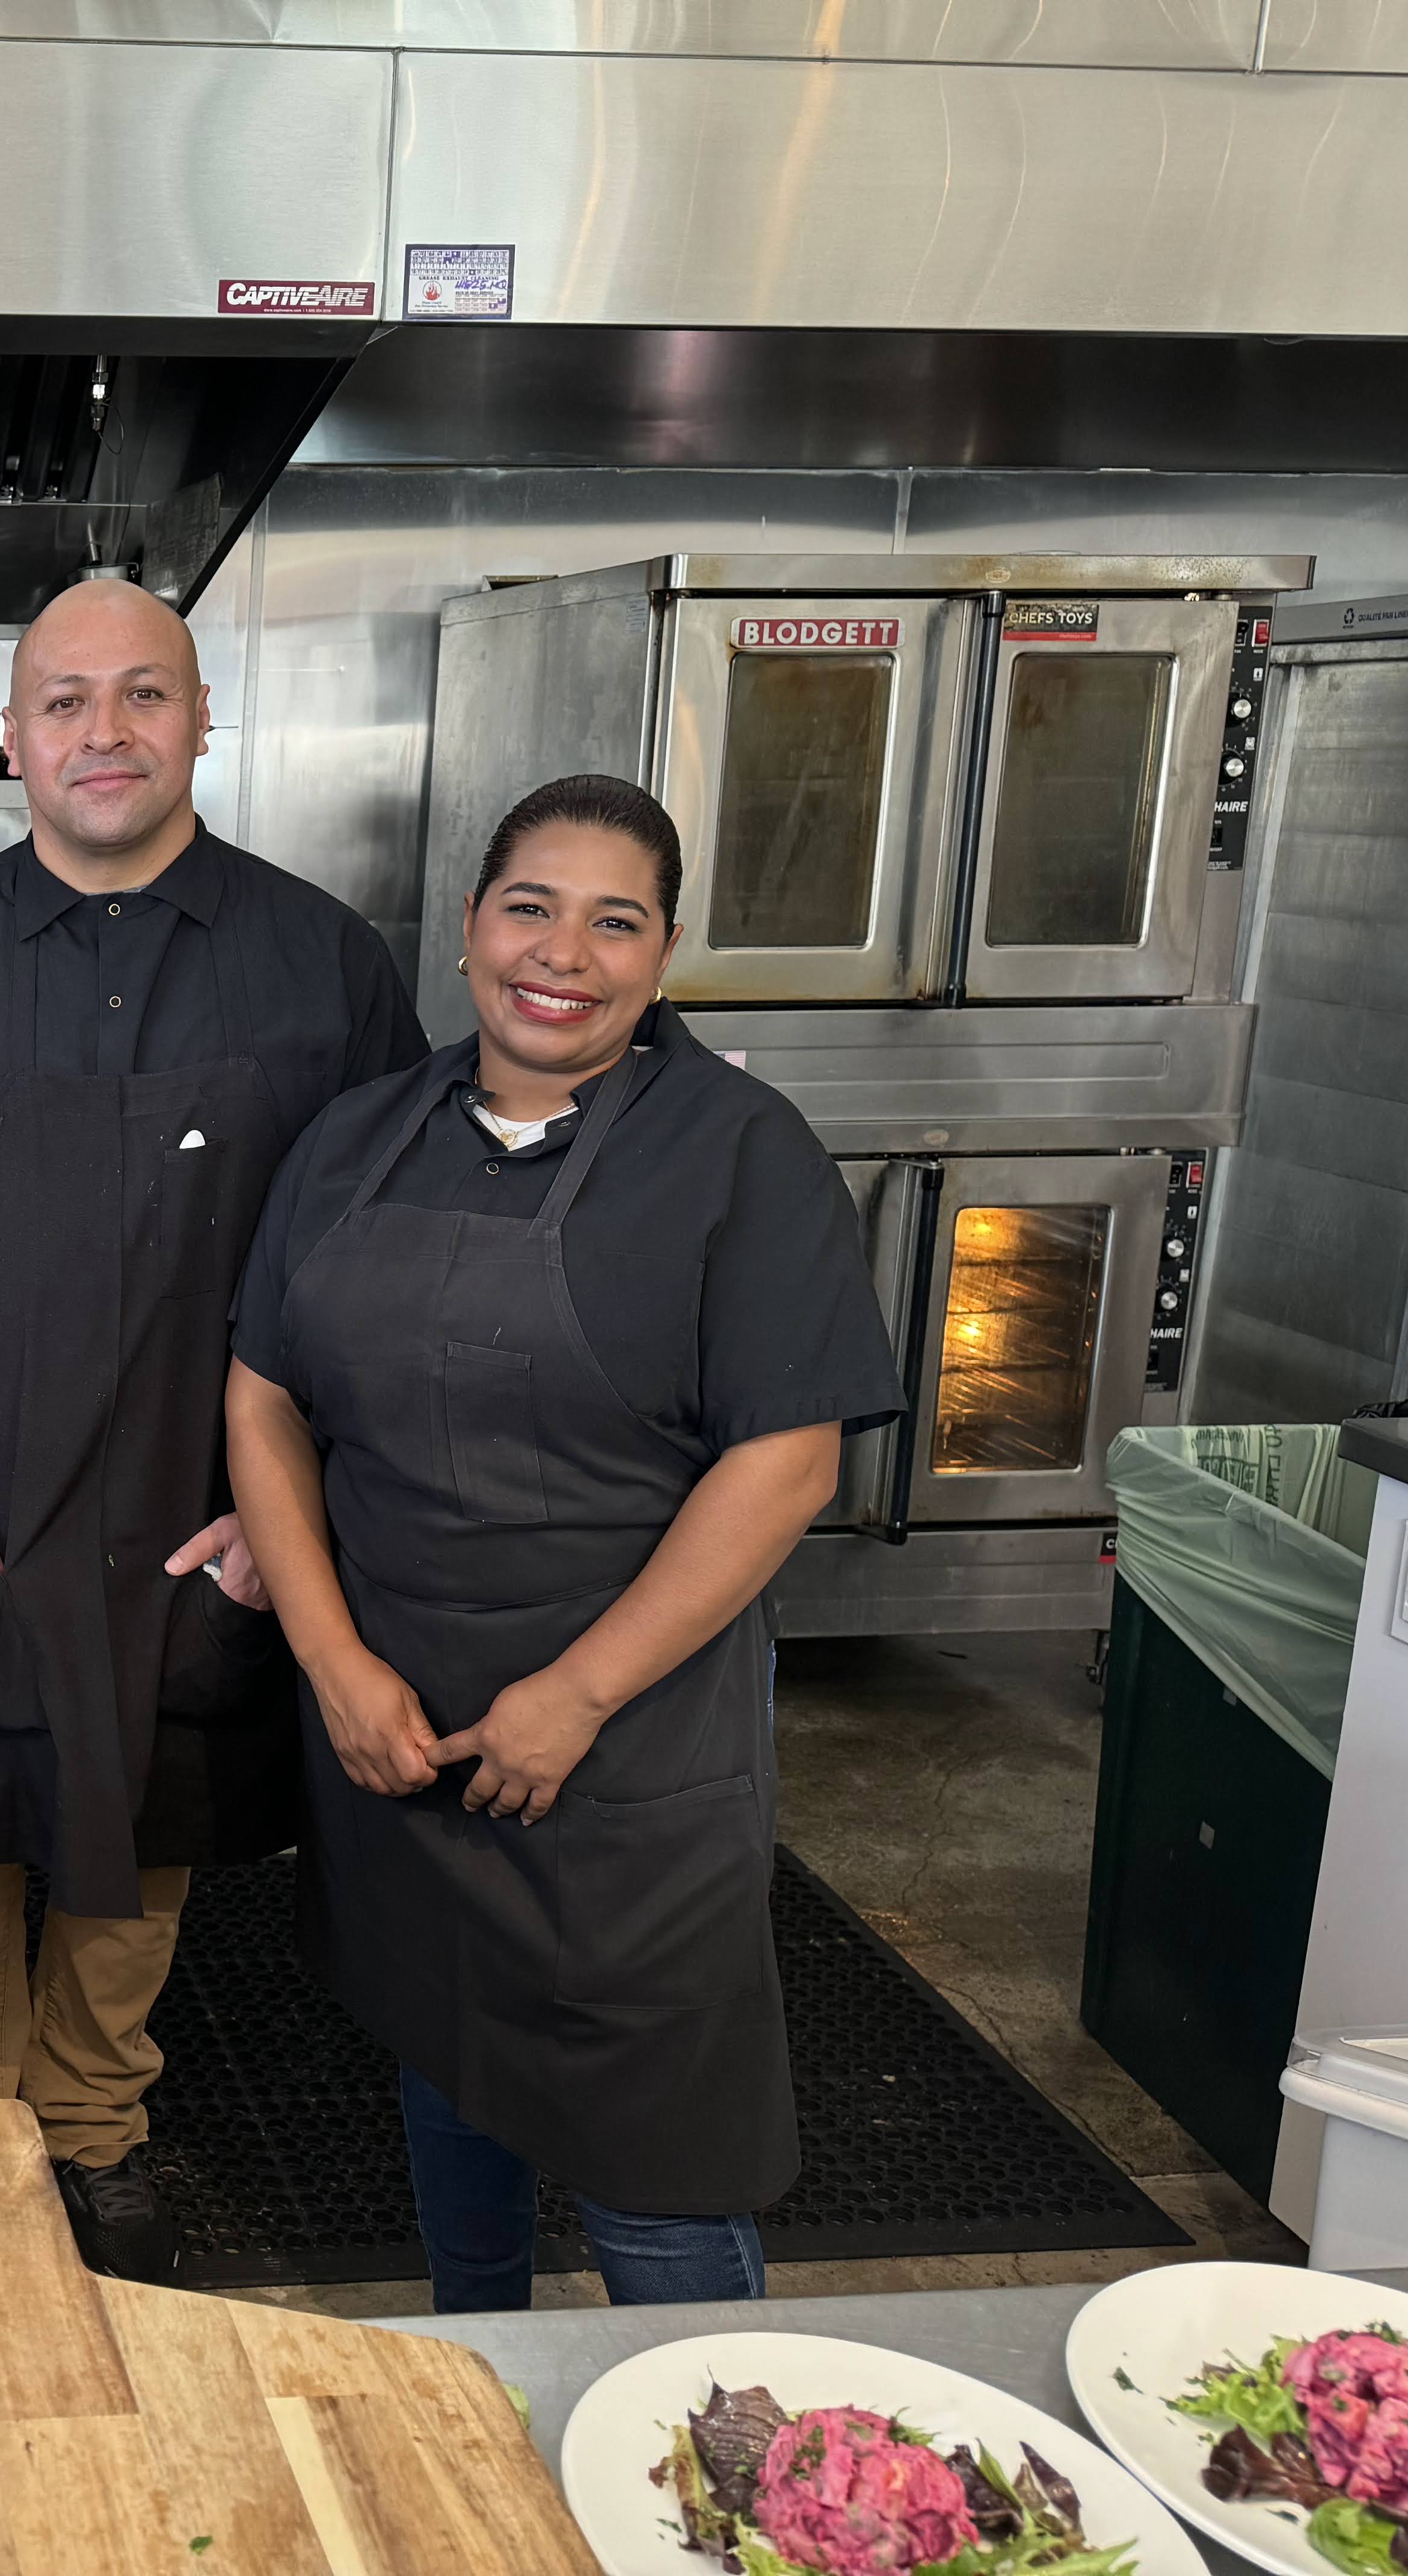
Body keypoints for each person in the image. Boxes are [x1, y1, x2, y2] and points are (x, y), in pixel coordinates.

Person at [0, 577, 425, 2304]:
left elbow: (376, 1252)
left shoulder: (323, 963)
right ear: (12, 735)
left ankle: (94, 2124)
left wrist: (278, 1507)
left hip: (196, 1499)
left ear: (203, 720)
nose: (104, 733)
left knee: (144, 1832)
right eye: (64, 701)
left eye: (141, 696)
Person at [223, 773, 904, 2312]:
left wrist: (581, 1694)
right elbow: (262, 1396)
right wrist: (334, 1667)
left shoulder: (741, 1152)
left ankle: (715, 2477)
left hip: (628, 1758)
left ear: (663, 957)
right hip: (401, 1724)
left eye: (618, 922)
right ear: (469, 929)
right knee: (451, 2053)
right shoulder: (357, 1138)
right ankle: (486, 2380)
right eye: (532, 907)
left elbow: (785, 1463)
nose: (565, 953)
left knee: (657, 2146)